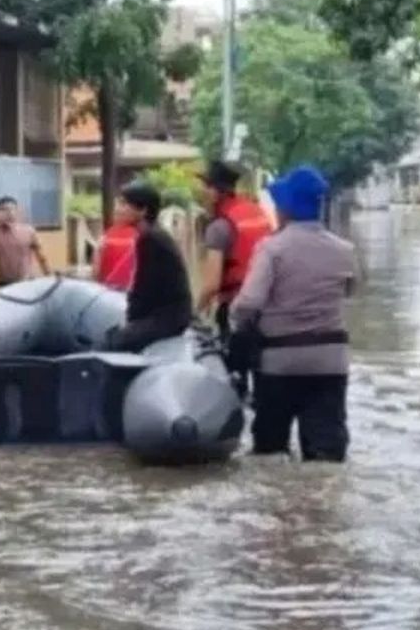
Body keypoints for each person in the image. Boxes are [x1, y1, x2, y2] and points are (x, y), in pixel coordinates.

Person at [228, 165, 359, 461]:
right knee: (327, 455)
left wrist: (237, 322)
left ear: (285, 208)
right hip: (330, 362)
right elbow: (350, 291)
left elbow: (249, 303)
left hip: (279, 363)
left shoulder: (272, 249)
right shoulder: (344, 249)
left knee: (271, 451)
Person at [106, 181, 193, 353]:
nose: (117, 209)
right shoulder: (153, 235)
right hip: (169, 315)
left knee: (112, 342)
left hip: (169, 318)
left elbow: (144, 287)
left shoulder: (150, 239)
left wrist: (131, 321)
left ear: (143, 210)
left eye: (124, 204)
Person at [196, 159, 276, 329]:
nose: (201, 193)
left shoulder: (219, 228)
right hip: (269, 306)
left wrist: (195, 313)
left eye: (205, 187)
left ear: (215, 193)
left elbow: (211, 285)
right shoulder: (257, 212)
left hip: (236, 308)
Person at [0, 196, 49, 287]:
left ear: (17, 211)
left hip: (27, 283)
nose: (9, 213)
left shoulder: (29, 231)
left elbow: (41, 257)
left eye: (12, 209)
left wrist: (49, 276)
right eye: (4, 210)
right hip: (3, 285)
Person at [92, 197, 140, 292]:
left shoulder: (107, 235)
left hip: (108, 290)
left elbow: (96, 271)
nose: (118, 210)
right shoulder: (140, 234)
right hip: (128, 291)